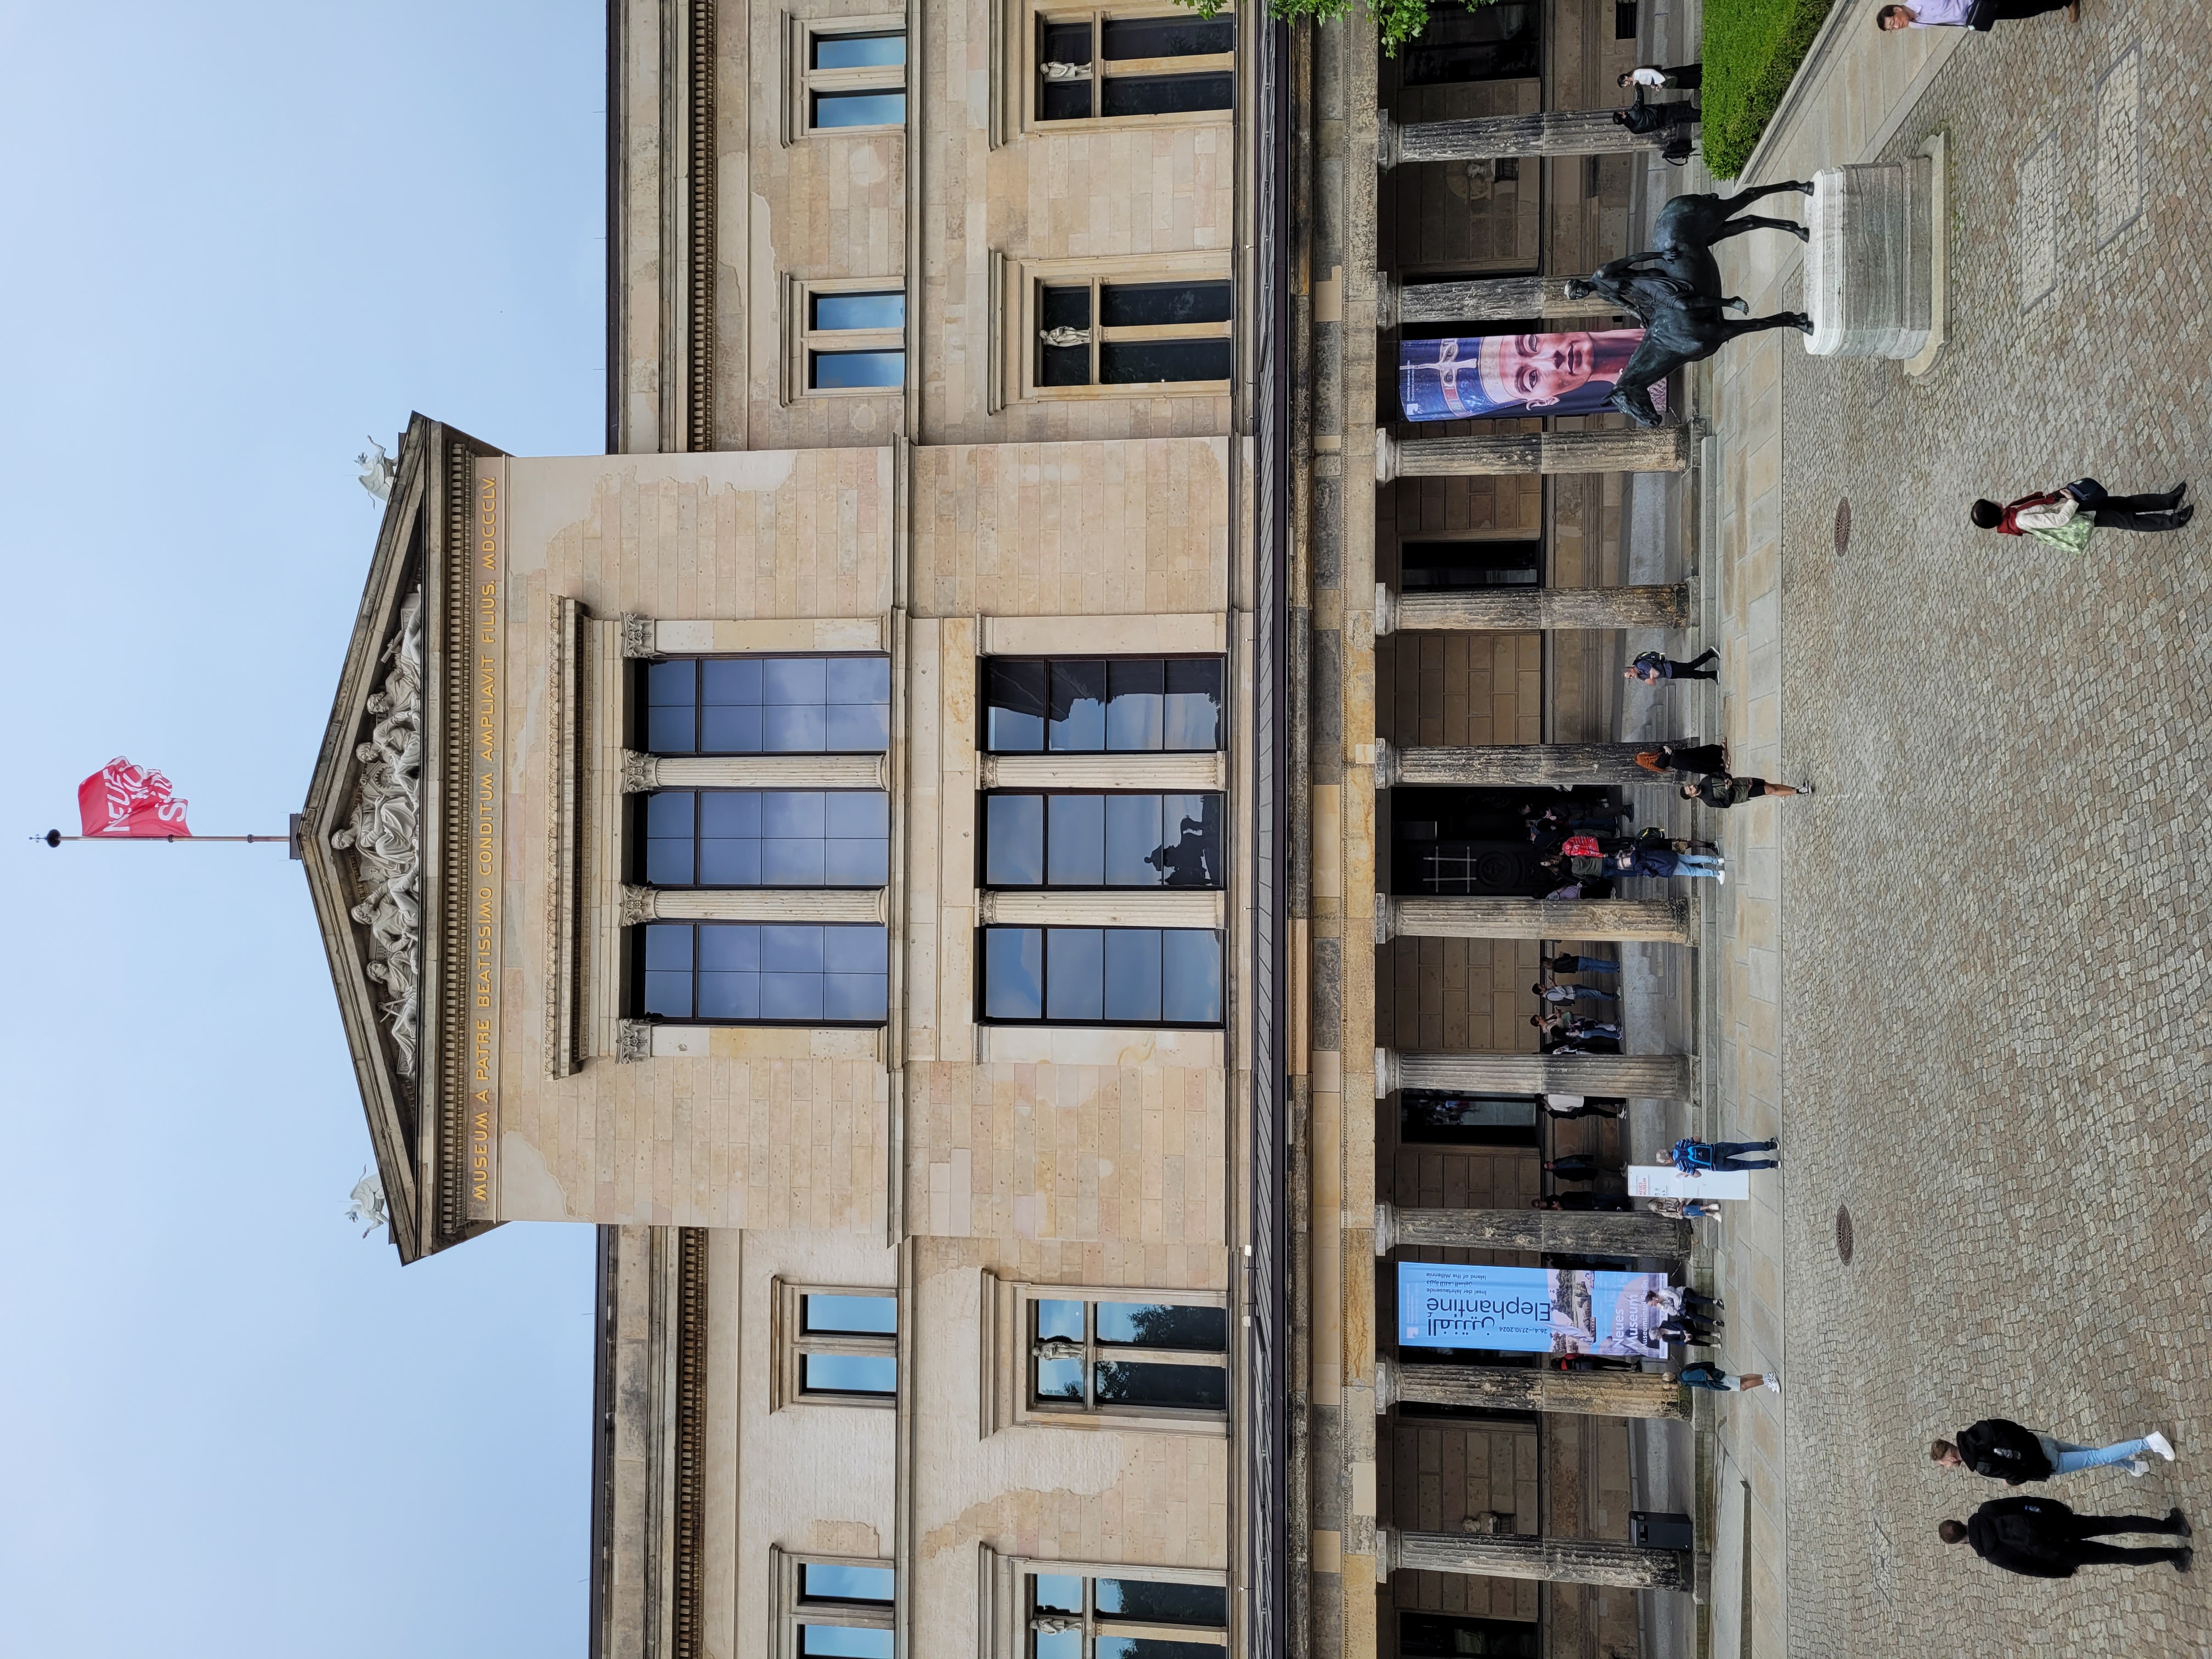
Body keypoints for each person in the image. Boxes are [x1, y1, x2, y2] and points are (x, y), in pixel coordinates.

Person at [1940, 1500, 2191, 1578]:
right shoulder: (1987, 1511)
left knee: (2120, 1555)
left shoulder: (1992, 1554)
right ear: (1960, 1522)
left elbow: (2031, 1568)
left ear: (1960, 1545)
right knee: (2115, 1524)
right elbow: (2028, 1503)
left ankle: (2176, 1555)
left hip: (2061, 1553)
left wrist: (2065, 1572)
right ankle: (2173, 1527)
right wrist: (2058, 1508)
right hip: (2060, 1524)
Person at [1970, 478, 2191, 548]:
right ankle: (2173, 521)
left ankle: (2169, 499)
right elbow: (2058, 520)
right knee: (2127, 520)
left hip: (2079, 506)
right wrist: (2072, 500)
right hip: (2082, 514)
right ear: (1995, 509)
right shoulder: (2020, 519)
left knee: (2128, 503)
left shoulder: (2011, 513)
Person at [1932, 1421, 2177, 1483]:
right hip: (2040, 1442)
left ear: (1951, 1458)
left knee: (2096, 1456)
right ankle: (2132, 1466)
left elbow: (2016, 1474)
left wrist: (2010, 1482)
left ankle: (2149, 1442)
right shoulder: (1976, 1431)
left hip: (2047, 1461)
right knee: (2090, 1451)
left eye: (1944, 1464)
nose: (1947, 1467)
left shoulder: (1982, 1466)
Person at [1878, 0, 2076, 31]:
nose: (1897, 27)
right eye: (1893, 29)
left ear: (1897, 10)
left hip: (1980, 2)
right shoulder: (1916, 25)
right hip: (1979, 16)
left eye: (1893, 22)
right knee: (2024, 11)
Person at [1607, 842, 1725, 879]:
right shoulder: (1638, 850)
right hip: (1668, 856)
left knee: (1692, 872)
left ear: (1625, 866)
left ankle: (1717, 874)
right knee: (1692, 858)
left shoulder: (1637, 867)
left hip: (1667, 868)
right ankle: (1717, 861)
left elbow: (1652, 874)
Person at [1681, 775, 1812, 808]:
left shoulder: (1705, 781)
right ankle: (1800, 792)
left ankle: (1796, 788)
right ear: (1692, 795)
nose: (1693, 786)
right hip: (1743, 793)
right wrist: (1728, 790)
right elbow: (1726, 804)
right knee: (1771, 790)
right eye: (1691, 789)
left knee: (1770, 784)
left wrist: (1726, 778)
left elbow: (1720, 773)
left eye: (1690, 785)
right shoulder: (1708, 800)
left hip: (1743, 782)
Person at [1671, 1137, 1779, 1173]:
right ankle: (1772, 1145)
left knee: (1746, 1165)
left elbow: (1697, 1174)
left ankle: (1774, 1164)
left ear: (1667, 1161)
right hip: (1717, 1149)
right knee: (1744, 1147)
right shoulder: (1680, 1144)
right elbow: (1697, 1138)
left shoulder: (1680, 1166)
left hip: (1716, 1165)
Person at [1636, 742, 1729, 777]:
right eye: (1642, 754)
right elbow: (1667, 755)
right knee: (1700, 765)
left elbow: (1663, 747)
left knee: (1700, 752)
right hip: (1680, 762)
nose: (1644, 752)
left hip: (1680, 754)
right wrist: (1666, 749)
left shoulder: (1655, 754)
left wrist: (1665, 747)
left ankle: (1719, 749)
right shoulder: (1656, 764)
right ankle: (1721, 767)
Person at [1627, 647, 1719, 684]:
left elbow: (1656, 673)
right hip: (1669, 675)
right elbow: (1652, 682)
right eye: (1630, 678)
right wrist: (1651, 680)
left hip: (1670, 667)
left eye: (1630, 676)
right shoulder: (1640, 676)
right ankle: (1712, 675)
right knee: (1691, 675)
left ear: (1631, 670)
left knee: (1691, 666)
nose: (1632, 677)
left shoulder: (1641, 665)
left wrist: (1651, 678)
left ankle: (1710, 653)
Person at [1679, 1362, 1778, 1392]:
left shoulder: (1685, 1377)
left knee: (1743, 1386)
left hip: (1717, 1380)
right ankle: (1767, 1377)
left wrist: (1714, 1383)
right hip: (1717, 1378)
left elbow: (1703, 1374)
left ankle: (1768, 1380)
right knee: (1742, 1379)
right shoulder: (1684, 1376)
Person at [1543, 1155, 1621, 1184]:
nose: (1550, 1165)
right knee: (1602, 1172)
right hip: (1582, 1170)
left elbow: (1570, 1158)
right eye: (1548, 1167)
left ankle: (1618, 1170)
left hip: (1581, 1162)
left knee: (1601, 1165)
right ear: (1549, 1170)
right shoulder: (1559, 1174)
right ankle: (1619, 1174)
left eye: (1548, 1164)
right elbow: (1572, 1177)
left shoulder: (1557, 1161)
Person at [1619, 63, 1701, 89]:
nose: (1627, 85)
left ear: (1626, 78)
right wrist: (1655, 86)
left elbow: (1651, 72)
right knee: (1682, 82)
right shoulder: (1636, 80)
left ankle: (1699, 77)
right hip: (1662, 80)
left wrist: (1659, 83)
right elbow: (1649, 81)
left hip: (1663, 77)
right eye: (1625, 85)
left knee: (1684, 76)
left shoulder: (1637, 73)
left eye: (1625, 83)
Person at [1535, 980, 1620, 1007]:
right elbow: (1563, 995)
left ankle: (1613, 996)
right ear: (1541, 992)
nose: (1543, 985)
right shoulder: (1550, 996)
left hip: (1574, 989)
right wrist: (1556, 986)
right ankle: (1615, 997)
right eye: (1541, 987)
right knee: (1595, 993)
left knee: (1595, 992)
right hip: (1575, 993)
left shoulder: (1549, 992)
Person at [1540, 1092, 1623, 1119]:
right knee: (1601, 1099)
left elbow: (1568, 1111)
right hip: (1580, 1096)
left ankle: (1618, 1114)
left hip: (1579, 1106)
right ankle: (1619, 1100)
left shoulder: (1554, 1108)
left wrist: (1574, 1104)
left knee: (1599, 1111)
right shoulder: (1553, 1092)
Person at [1532, 1192, 1634, 1212]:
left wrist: (1590, 1209)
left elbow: (1577, 1206)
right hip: (1588, 1198)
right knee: (1609, 1200)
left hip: (1589, 1201)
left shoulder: (1564, 1200)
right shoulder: (1563, 1197)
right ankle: (1625, 1200)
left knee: (1609, 1201)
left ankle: (1625, 1200)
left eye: (1539, 1203)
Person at [1545, 953, 1618, 974]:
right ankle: (1616, 965)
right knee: (1597, 963)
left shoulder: (1555, 970)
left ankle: (1615, 970)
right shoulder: (1557, 962)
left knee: (1596, 968)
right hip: (1578, 962)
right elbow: (1569, 959)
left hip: (1577, 969)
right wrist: (1564, 955)